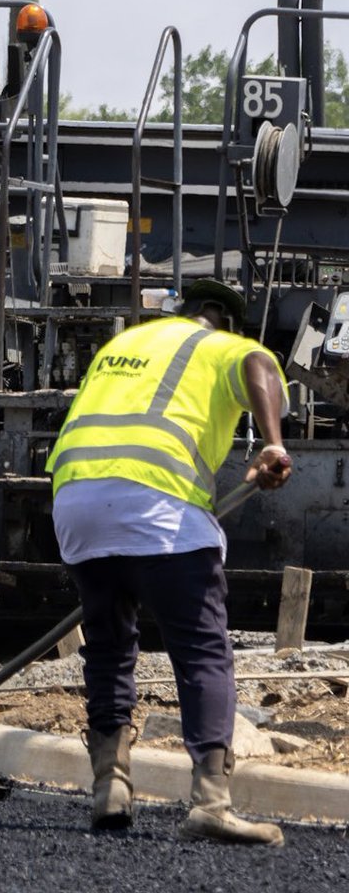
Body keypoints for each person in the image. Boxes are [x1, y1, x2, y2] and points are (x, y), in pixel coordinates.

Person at [46, 278, 292, 846]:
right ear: (220, 319)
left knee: (107, 645)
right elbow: (259, 364)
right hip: (157, 505)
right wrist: (273, 445)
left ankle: (110, 786)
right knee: (203, 650)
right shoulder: (220, 345)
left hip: (76, 502)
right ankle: (211, 802)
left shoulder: (124, 346)